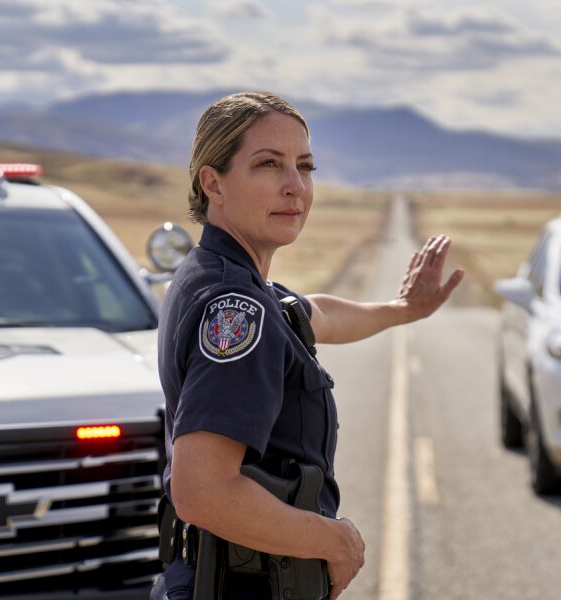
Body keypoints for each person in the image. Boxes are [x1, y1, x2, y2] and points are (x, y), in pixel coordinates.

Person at [151, 91, 464, 600]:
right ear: (214, 183)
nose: (295, 186)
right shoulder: (234, 305)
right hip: (239, 584)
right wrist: (336, 541)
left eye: (305, 166)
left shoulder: (224, 277)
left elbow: (313, 314)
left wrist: (403, 310)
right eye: (268, 165)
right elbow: (202, 492)